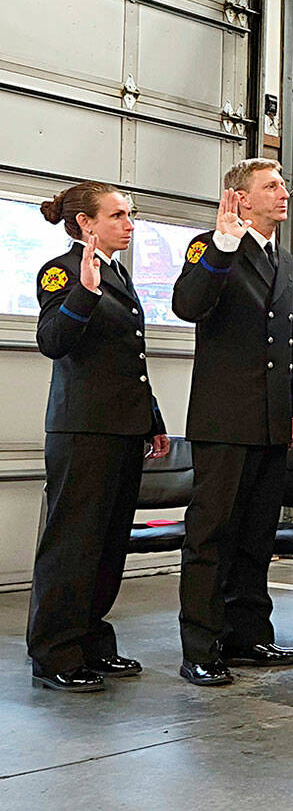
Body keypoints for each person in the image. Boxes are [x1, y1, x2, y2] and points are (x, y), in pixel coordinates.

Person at [27, 182, 169, 692]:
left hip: (123, 429)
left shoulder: (118, 273)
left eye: (130, 215)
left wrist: (150, 417)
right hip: (83, 430)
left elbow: (128, 357)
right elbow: (53, 342)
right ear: (86, 223)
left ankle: (90, 640)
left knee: (109, 544)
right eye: (118, 215)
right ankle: (54, 652)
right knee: (73, 545)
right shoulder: (63, 271)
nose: (129, 224)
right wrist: (83, 295)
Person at [172, 159, 293, 686]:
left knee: (256, 535)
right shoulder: (211, 247)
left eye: (283, 186)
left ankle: (248, 635)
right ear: (239, 198)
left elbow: (292, 340)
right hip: (225, 420)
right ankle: (200, 647)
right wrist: (223, 249)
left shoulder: (286, 259)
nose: (283, 194)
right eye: (271, 187)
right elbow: (189, 304)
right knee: (211, 536)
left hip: (272, 420)